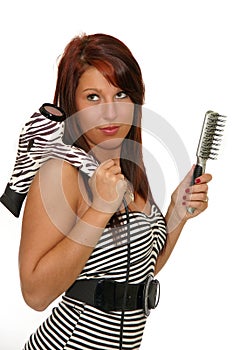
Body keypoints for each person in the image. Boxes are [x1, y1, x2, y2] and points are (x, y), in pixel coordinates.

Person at [19, 33, 212, 350]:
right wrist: (99, 209)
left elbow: (136, 272)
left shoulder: (127, 167)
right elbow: (35, 294)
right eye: (93, 97)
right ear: (72, 102)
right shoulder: (61, 172)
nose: (110, 112)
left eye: (121, 94)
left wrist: (177, 211)